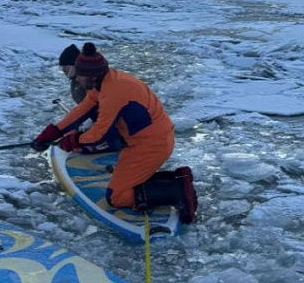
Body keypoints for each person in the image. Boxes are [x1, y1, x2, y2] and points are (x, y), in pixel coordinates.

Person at [32, 42, 198, 223]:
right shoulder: (106, 82)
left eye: (79, 75)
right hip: (149, 141)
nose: (77, 80)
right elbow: (81, 111)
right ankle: (177, 178)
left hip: (151, 146)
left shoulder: (114, 93)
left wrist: (74, 141)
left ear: (90, 76)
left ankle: (177, 190)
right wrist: (53, 132)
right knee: (122, 186)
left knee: (117, 197)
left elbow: (99, 134)